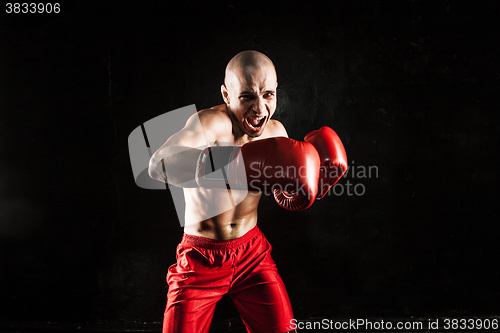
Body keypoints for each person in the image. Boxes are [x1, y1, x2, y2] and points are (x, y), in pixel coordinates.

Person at [148, 50, 347, 333]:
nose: (260, 109)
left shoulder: (276, 133)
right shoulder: (210, 123)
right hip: (201, 257)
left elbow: (288, 184)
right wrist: (235, 164)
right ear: (227, 95)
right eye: (247, 97)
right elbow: (158, 165)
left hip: (252, 255)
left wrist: (315, 185)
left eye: (268, 95)